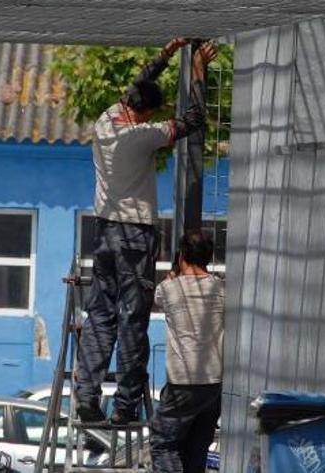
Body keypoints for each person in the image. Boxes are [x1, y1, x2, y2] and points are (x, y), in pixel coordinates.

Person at [75, 38, 218, 424]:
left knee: (100, 315)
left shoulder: (107, 120)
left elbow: (137, 85)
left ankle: (86, 399)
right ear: (145, 113)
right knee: (132, 319)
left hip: (104, 231)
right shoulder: (141, 135)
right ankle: (125, 406)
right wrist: (197, 70)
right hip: (135, 235)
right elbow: (193, 121)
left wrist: (166, 55)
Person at [150, 231, 224, 473]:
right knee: (197, 450)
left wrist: (174, 275)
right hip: (213, 384)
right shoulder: (221, 289)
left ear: (181, 256)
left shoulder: (169, 289)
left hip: (183, 382)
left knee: (163, 443)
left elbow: (157, 297)